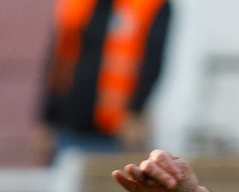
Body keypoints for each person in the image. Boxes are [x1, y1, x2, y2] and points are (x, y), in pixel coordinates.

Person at [36, 0, 171, 161]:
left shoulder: (151, 4)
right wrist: (46, 119)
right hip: (68, 127)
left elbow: (153, 62)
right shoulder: (75, 4)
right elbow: (58, 60)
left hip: (114, 131)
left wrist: (135, 111)